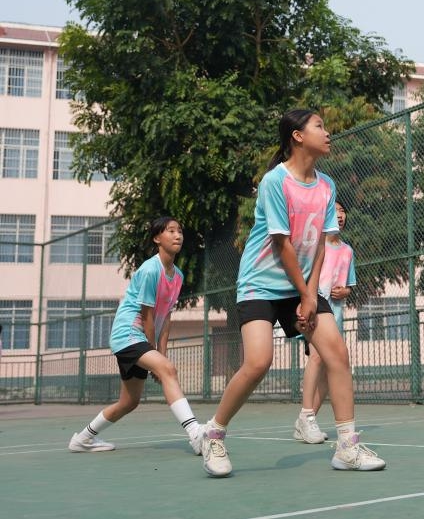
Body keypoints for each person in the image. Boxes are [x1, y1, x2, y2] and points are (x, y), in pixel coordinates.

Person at [200, 109, 385, 477]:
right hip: (260, 284)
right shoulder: (275, 181)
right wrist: (306, 293)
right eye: (320, 126)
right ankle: (214, 433)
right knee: (258, 362)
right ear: (297, 136)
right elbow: (281, 244)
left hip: (302, 286)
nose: (328, 132)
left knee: (337, 355)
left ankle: (347, 447)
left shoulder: (327, 185)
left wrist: (311, 293)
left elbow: (320, 245)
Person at [68, 217, 203, 455]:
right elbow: (148, 316)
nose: (177, 235)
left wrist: (161, 355)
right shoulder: (151, 270)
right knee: (168, 369)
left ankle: (83, 439)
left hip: (140, 338)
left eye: (180, 231)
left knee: (129, 402)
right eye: (170, 231)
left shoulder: (178, 276)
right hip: (129, 333)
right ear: (156, 238)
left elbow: (166, 317)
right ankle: (195, 434)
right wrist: (158, 361)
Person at [293, 198, 357, 444]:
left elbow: (348, 285)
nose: (340, 215)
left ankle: (306, 420)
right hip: (313, 310)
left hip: (335, 315)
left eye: (343, 211)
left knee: (330, 367)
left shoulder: (347, 250)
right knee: (318, 358)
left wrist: (345, 292)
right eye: (335, 211)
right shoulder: (314, 246)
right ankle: (307, 417)